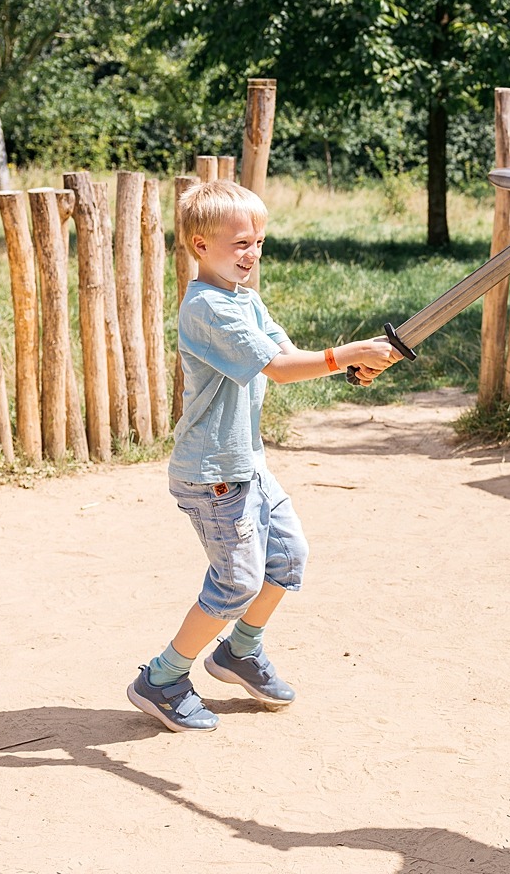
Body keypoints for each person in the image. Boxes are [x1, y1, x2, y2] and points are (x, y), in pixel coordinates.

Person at [127, 179, 400, 733]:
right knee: (237, 583)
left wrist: (349, 365)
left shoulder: (244, 299)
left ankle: (239, 653)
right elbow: (276, 369)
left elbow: (288, 355)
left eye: (259, 243)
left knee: (287, 558)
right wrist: (345, 352)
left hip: (247, 466)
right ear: (200, 245)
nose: (252, 254)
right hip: (212, 475)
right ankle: (161, 678)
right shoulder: (207, 307)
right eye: (240, 244)